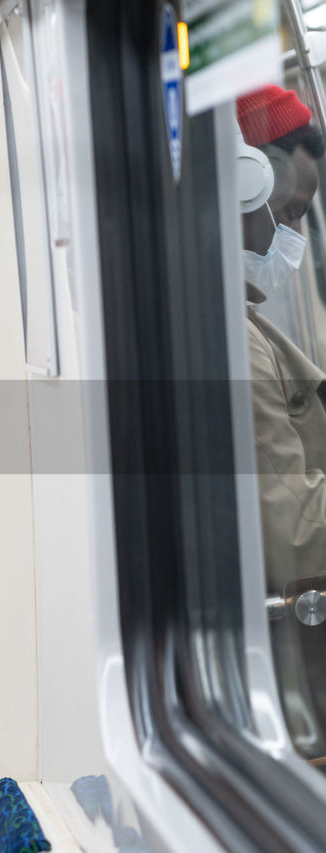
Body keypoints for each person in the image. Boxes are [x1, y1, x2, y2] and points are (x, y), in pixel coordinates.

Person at [237, 84, 326, 753]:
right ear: (240, 184)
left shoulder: (242, 322)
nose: (292, 238)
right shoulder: (228, 337)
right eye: (289, 212)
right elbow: (291, 533)